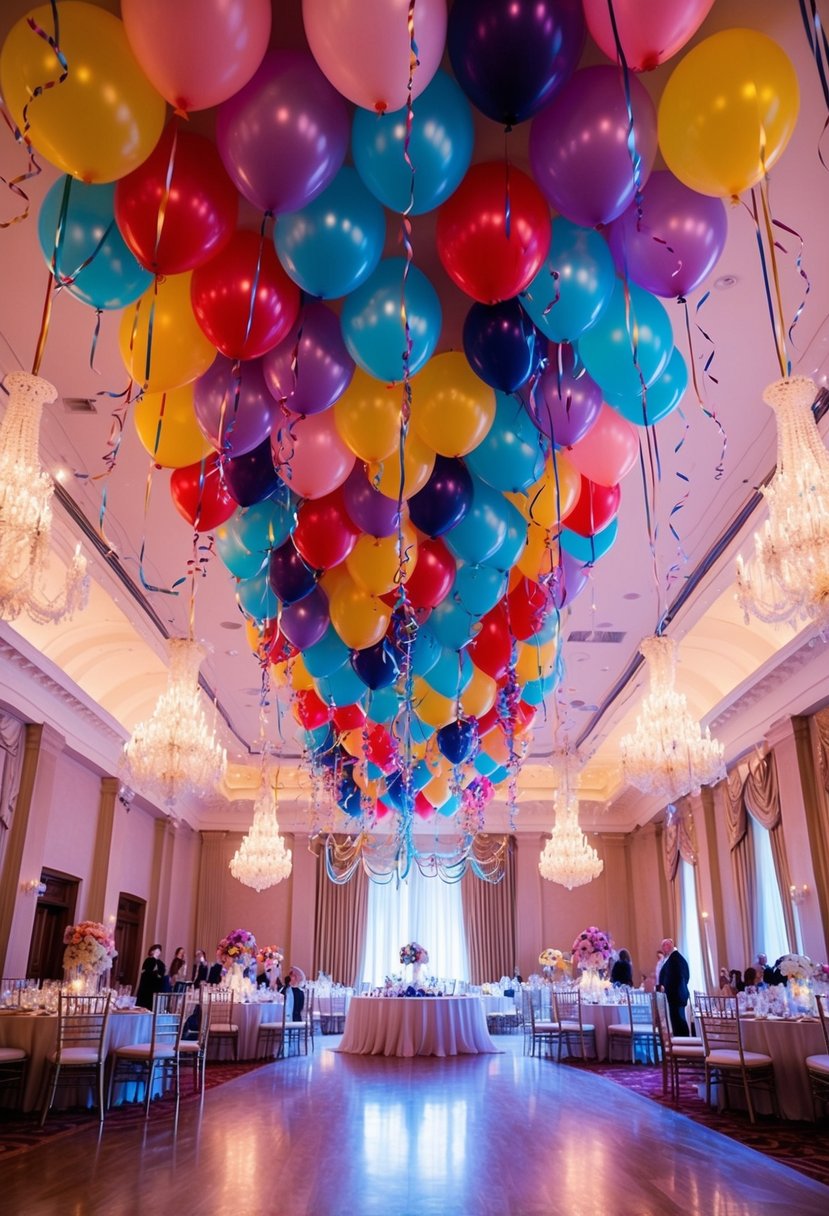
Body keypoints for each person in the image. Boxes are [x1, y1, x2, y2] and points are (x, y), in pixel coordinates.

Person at [658, 937, 691, 1036]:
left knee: (678, 1021)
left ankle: (682, 1043)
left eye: (664, 946)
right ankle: (683, 1041)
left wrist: (665, 989)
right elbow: (686, 975)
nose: (663, 949)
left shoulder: (674, 959)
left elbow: (671, 978)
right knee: (679, 1020)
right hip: (679, 994)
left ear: (668, 946)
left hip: (675, 995)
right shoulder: (677, 958)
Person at [136, 944, 166, 1009]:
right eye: (155, 951)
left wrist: (157, 974)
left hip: (156, 987)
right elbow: (146, 972)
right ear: (152, 951)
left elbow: (161, 973)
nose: (157, 953)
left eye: (159, 951)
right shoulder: (148, 960)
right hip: (147, 986)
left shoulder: (161, 963)